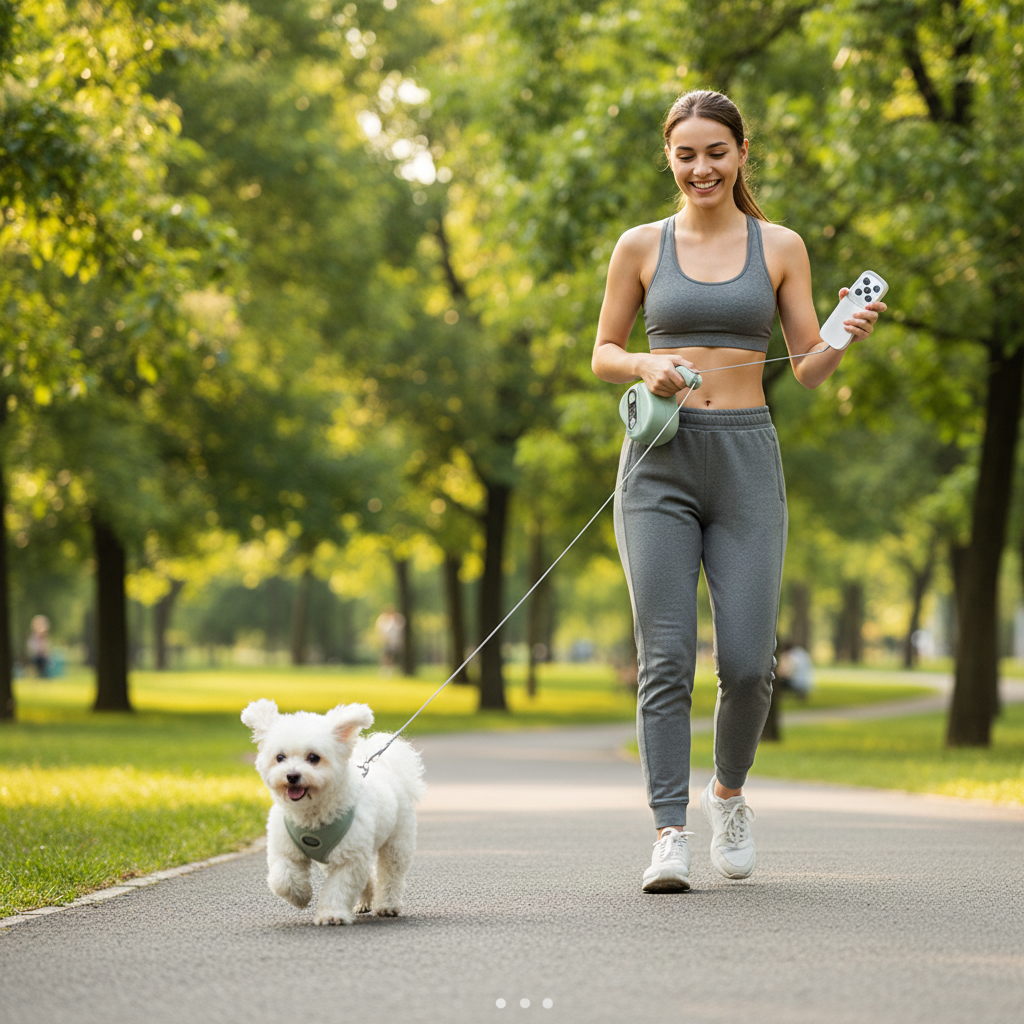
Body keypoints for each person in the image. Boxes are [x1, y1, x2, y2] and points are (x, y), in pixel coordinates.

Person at [591, 90, 885, 892]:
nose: (700, 168)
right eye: (685, 154)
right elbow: (603, 352)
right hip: (659, 464)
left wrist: (840, 335)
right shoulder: (640, 246)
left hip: (748, 459)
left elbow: (807, 370)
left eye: (715, 152)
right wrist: (645, 363)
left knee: (752, 665)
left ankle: (727, 793)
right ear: (670, 158)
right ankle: (668, 833)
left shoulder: (781, 245)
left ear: (742, 153)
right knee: (666, 657)